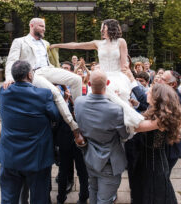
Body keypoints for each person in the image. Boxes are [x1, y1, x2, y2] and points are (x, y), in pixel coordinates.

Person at [3, 18, 85, 146]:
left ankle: (79, 115)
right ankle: (75, 128)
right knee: (55, 93)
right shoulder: (19, 41)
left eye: (44, 26)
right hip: (32, 73)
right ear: (32, 25)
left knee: (77, 79)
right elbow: (11, 61)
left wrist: (59, 75)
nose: (44, 29)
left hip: (48, 69)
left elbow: (48, 62)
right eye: (41, 26)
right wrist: (9, 77)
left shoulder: (46, 43)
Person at [50, 18, 144, 129]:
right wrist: (57, 45)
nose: (101, 30)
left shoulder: (121, 42)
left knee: (118, 107)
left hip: (118, 77)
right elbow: (76, 45)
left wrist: (129, 78)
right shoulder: (97, 43)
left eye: (103, 27)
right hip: (102, 77)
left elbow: (124, 65)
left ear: (110, 28)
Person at [0, 60, 60, 204]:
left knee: (8, 199)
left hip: (10, 156)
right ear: (30, 75)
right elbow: (55, 116)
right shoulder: (44, 94)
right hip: (37, 157)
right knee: (39, 199)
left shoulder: (4, 91)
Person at [74, 70, 129, 204]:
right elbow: (125, 135)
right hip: (108, 162)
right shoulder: (115, 109)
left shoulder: (78, 102)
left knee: (93, 190)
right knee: (104, 200)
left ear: (89, 83)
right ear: (108, 83)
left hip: (89, 156)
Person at [132, 83, 181, 204]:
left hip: (155, 165)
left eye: (149, 91)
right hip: (147, 160)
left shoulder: (160, 119)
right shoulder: (153, 111)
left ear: (157, 97)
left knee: (156, 196)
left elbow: (136, 127)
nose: (147, 93)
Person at [56, 61, 89, 204]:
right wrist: (64, 99)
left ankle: (83, 198)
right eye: (62, 69)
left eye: (67, 69)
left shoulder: (84, 88)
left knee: (82, 170)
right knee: (63, 169)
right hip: (65, 133)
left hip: (80, 133)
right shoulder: (59, 88)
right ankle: (60, 198)